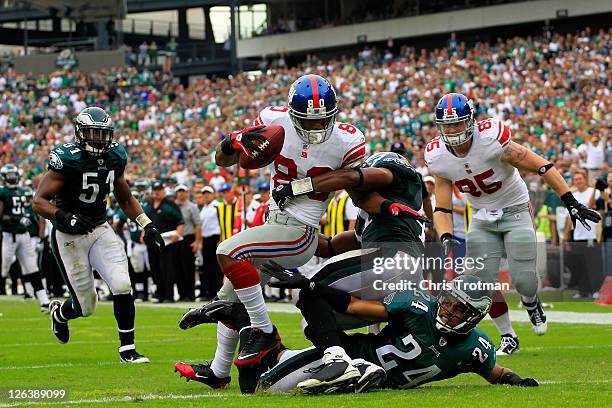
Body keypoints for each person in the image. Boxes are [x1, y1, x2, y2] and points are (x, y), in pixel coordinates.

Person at [177, 151, 431, 392]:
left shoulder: (395, 174)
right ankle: (360, 364)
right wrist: (288, 234)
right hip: (401, 273)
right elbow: (331, 245)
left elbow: (353, 177)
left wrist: (298, 187)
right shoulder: (379, 218)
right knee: (315, 320)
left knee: (309, 291)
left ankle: (335, 360)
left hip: (394, 260)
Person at [177, 74, 366, 388]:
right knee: (230, 300)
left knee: (227, 251)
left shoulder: (348, 139)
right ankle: (219, 371)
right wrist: (231, 141)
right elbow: (223, 161)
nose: (317, 128)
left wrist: (300, 186)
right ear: (293, 113)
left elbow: (350, 178)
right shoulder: (273, 121)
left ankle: (263, 332)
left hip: (300, 229)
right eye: (309, 121)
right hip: (273, 223)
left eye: (323, 121)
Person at [425, 93, 601, 354]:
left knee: (524, 280)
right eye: (447, 125)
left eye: (457, 123)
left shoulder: (492, 139)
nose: (452, 130)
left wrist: (571, 201)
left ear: (470, 121)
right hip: (482, 218)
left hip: (515, 209)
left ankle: (531, 302)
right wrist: (446, 235)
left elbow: (541, 165)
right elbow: (442, 204)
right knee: (480, 284)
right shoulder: (437, 155)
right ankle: (508, 335)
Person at [201, 271, 540, 394]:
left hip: (372, 380)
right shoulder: (417, 308)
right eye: (449, 303)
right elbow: (355, 307)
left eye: (459, 309)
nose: (449, 310)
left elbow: (495, 372)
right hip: (351, 357)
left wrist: (516, 381)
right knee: (255, 388)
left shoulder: (475, 347)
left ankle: (273, 346)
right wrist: (311, 284)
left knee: (267, 376)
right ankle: (240, 317)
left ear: (475, 316)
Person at [32, 106, 165, 363]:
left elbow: (124, 195)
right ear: (80, 133)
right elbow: (39, 201)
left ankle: (128, 349)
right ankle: (60, 313)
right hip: (69, 236)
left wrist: (147, 224)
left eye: (103, 134)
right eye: (93, 133)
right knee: (85, 306)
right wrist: (64, 216)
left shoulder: (115, 156)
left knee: (122, 284)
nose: (99, 140)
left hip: (99, 228)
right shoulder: (67, 158)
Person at [0, 164, 50, 312]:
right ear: (4, 178)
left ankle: (44, 301)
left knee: (32, 267)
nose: (13, 178)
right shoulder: (2, 192)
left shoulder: (23, 191)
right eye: (9, 176)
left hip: (24, 235)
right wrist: (11, 219)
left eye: (14, 175)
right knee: (4, 268)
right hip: (9, 235)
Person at [562, 171, 603, 298]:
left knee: (594, 264)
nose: (578, 181)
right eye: (576, 179)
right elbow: (570, 218)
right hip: (578, 236)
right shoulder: (572, 196)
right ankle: (583, 291)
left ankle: (596, 289)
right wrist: (565, 235)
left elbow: (594, 206)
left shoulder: (594, 192)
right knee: (580, 265)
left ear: (585, 179)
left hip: (592, 235)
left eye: (580, 179)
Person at [143, 180, 185, 303]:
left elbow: (180, 221)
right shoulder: (148, 206)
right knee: (155, 268)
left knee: (167, 269)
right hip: (151, 241)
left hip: (167, 242)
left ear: (163, 191)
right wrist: (142, 233)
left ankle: (168, 295)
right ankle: (160, 294)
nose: (157, 192)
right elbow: (145, 223)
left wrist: (178, 234)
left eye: (159, 190)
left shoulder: (170, 205)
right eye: (155, 190)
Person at [175, 184, 201, 301]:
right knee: (178, 268)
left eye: (183, 191)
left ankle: (190, 295)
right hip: (175, 239)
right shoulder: (173, 206)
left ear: (187, 192)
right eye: (179, 191)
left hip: (187, 238)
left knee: (188, 268)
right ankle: (181, 293)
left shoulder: (192, 207)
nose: (181, 193)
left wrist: (197, 241)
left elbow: (197, 225)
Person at [198, 186, 223, 300]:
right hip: (206, 239)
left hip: (215, 237)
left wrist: (221, 238)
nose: (206, 195)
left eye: (208, 193)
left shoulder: (217, 206)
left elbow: (222, 222)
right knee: (207, 266)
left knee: (216, 266)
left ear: (213, 194)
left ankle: (217, 291)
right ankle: (209, 291)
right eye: (204, 194)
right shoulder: (203, 209)